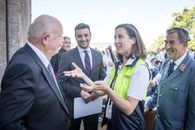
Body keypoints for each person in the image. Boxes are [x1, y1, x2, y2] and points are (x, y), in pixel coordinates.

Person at [64, 23, 150, 130]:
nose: (116, 41)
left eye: (120, 37)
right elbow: (101, 89)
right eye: (115, 37)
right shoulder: (118, 66)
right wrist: (82, 75)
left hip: (129, 125)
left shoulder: (140, 68)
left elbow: (128, 108)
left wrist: (107, 90)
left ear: (133, 40)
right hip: (113, 121)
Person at [0, 15, 69, 130]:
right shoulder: (23, 67)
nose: (62, 41)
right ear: (46, 38)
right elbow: (10, 124)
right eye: (60, 35)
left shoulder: (40, 57)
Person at [58, 23, 106, 130]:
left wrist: (95, 93)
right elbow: (61, 82)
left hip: (93, 103)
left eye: (86, 35)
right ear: (75, 37)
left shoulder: (98, 54)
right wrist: (79, 92)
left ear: (90, 35)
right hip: (73, 106)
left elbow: (102, 78)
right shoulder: (66, 56)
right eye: (79, 36)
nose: (83, 39)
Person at [146, 27, 195, 130]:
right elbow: (160, 89)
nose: (167, 47)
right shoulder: (166, 63)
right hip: (157, 126)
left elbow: (193, 112)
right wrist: (149, 105)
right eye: (166, 42)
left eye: (172, 42)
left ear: (184, 45)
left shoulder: (192, 69)